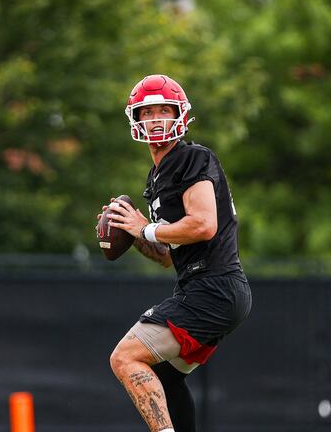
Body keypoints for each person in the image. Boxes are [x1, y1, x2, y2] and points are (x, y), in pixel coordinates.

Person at [100, 74, 252, 432]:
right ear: (136, 119)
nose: (155, 119)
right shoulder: (157, 176)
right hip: (208, 291)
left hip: (213, 288)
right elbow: (168, 254)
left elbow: (203, 225)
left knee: (125, 358)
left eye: (163, 110)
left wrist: (144, 228)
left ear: (179, 115)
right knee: (164, 377)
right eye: (147, 112)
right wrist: (132, 232)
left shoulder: (192, 158)